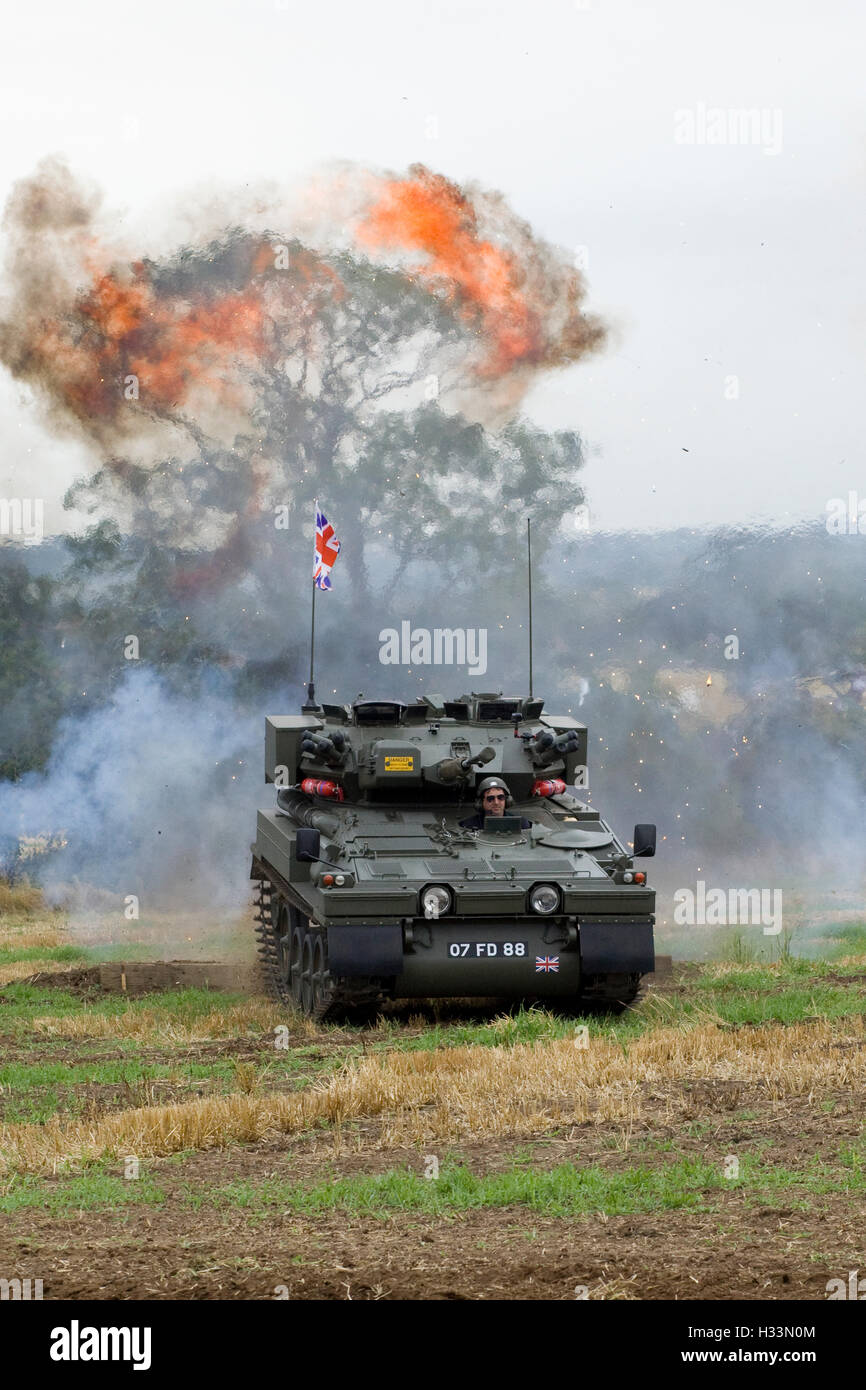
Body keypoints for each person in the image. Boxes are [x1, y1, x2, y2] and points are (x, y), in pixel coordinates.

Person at [459, 776, 531, 830]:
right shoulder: (469, 825)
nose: (496, 802)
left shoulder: (521, 824)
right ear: (481, 802)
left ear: (507, 800)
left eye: (500, 797)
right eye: (490, 798)